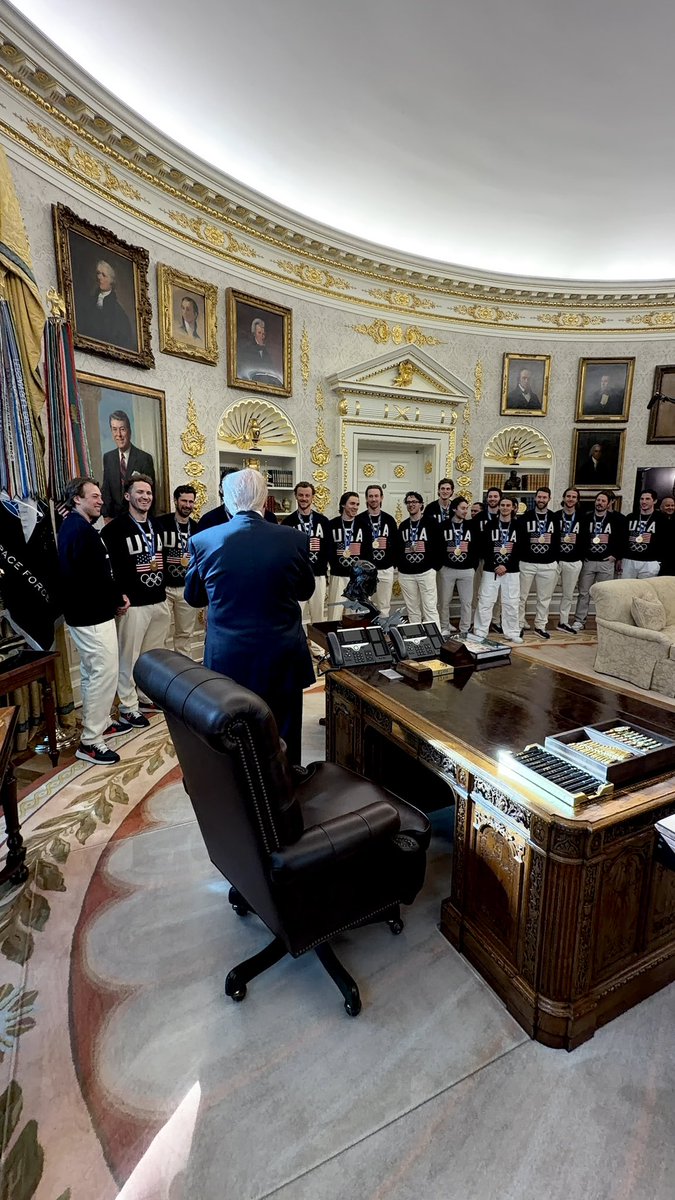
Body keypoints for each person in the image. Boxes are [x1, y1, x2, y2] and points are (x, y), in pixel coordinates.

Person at [184, 469, 314, 764]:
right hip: (283, 651)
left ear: (227, 501)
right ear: (265, 499)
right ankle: (288, 783)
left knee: (233, 727)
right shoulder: (294, 538)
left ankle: (243, 789)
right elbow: (306, 590)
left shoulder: (204, 541)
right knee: (285, 727)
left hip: (230, 656)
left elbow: (193, 597)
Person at [57, 477, 131, 765]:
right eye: (94, 496)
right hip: (90, 615)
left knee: (92, 674)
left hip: (87, 613)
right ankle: (90, 742)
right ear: (77, 499)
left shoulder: (77, 527)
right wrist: (116, 599)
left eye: (101, 496)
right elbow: (96, 577)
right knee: (104, 673)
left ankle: (98, 725)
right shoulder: (79, 530)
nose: (101, 501)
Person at [101, 475, 171, 727]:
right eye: (140, 492)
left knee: (152, 657)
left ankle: (145, 696)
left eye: (149, 493)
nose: (145, 497)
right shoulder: (114, 529)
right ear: (128, 496)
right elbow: (108, 568)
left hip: (159, 600)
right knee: (128, 658)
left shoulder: (158, 525)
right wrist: (118, 595)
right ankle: (128, 707)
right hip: (133, 604)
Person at [282, 481, 331, 646]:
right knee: (295, 614)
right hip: (296, 577)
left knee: (318, 615)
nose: (304, 498)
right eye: (301, 495)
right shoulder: (288, 522)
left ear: (313, 497)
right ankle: (297, 646)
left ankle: (318, 648)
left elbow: (328, 548)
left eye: (307, 495)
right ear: (295, 496)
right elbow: (285, 551)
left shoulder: (323, 521)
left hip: (318, 575)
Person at [155, 485, 200, 656]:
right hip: (164, 588)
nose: (188, 505)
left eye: (191, 501)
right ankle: (163, 673)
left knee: (185, 634)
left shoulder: (196, 528)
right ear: (175, 501)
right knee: (160, 634)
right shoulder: (160, 524)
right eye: (184, 501)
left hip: (186, 588)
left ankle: (184, 674)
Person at [571, 490, 625, 631]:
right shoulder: (586, 518)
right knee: (583, 593)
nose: (599, 503)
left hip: (606, 563)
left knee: (605, 594)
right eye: (598, 500)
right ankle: (579, 621)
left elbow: (622, 539)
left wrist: (615, 555)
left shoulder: (616, 520)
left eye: (603, 501)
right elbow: (579, 538)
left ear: (608, 504)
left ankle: (604, 622)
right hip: (588, 562)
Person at [473, 495, 523, 643]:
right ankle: (481, 630)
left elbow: (520, 549)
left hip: (511, 570)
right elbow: (485, 548)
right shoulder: (490, 525)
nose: (505, 508)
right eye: (502, 505)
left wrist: (506, 566)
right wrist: (496, 565)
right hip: (491, 570)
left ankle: (512, 632)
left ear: (513, 508)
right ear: (499, 507)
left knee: (511, 602)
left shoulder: (519, 526)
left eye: (508, 505)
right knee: (485, 601)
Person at [517, 487, 560, 639]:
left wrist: (555, 559)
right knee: (521, 597)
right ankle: (519, 624)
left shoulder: (555, 518)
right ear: (535, 498)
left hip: (548, 564)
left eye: (544, 497)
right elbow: (519, 541)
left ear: (549, 499)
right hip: (527, 563)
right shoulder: (524, 517)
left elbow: (558, 540)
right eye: (539, 497)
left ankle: (540, 625)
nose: (541, 500)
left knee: (544, 598)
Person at [354, 484, 400, 617]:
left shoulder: (389, 520)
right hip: (366, 570)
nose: (373, 499)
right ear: (366, 499)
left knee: (384, 605)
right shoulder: (359, 520)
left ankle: (383, 633)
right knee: (364, 604)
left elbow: (396, 544)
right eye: (370, 496)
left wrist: (391, 559)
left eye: (376, 496)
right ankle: (367, 634)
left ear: (381, 498)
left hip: (385, 569)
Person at [101, 409, 155, 520]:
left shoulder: (144, 458)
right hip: (114, 519)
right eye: (114, 429)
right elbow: (106, 490)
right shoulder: (108, 457)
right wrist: (106, 516)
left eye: (122, 429)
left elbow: (150, 492)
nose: (119, 435)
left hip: (137, 517)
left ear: (129, 431)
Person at [396, 492, 441, 625]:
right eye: (408, 502)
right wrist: (400, 565)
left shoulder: (431, 523)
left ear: (421, 504)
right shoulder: (403, 525)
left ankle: (435, 640)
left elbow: (439, 545)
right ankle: (415, 639)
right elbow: (399, 547)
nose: (411, 505)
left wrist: (434, 567)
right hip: (406, 574)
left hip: (426, 572)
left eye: (414, 502)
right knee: (412, 610)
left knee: (430, 608)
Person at [437, 496, 479, 636]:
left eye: (466, 508)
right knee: (444, 601)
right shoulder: (443, 526)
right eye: (462, 508)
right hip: (447, 569)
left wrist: (473, 566)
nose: (465, 511)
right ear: (454, 508)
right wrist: (441, 566)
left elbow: (475, 548)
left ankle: (465, 629)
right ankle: (444, 627)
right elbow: (438, 547)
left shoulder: (471, 526)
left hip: (467, 570)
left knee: (467, 602)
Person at [195, 466, 277, 531]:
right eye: (230, 486)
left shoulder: (269, 517)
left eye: (238, 485)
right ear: (221, 488)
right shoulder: (209, 520)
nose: (235, 489)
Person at [77, 259, 134, 349]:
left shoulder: (118, 312)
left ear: (112, 281)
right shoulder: (88, 301)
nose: (99, 277)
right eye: (98, 273)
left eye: (104, 275)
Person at [327, 491, 363, 618]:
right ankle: (332, 637)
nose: (355, 507)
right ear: (343, 505)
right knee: (334, 613)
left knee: (355, 616)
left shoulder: (363, 525)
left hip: (358, 578)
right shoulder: (331, 525)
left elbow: (367, 552)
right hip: (338, 576)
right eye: (352, 503)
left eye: (357, 504)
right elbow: (328, 550)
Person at [555, 487, 585, 633]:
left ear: (577, 500)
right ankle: (541, 622)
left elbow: (586, 539)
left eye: (574, 497)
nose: (570, 499)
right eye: (568, 496)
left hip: (574, 561)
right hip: (555, 560)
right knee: (545, 594)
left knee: (568, 594)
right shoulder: (554, 516)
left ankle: (563, 621)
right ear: (564, 497)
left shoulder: (583, 518)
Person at [621, 490, 666, 579]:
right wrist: (620, 557)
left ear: (655, 501)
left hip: (650, 562)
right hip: (629, 560)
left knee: (646, 591)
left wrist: (659, 561)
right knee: (626, 589)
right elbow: (622, 538)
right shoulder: (630, 517)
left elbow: (665, 542)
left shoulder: (661, 519)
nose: (644, 502)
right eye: (642, 499)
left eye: (647, 499)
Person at [238, 316, 282, 384]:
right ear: (254, 333)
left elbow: (271, 370)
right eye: (259, 333)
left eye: (263, 333)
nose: (262, 336)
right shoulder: (247, 350)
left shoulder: (266, 352)